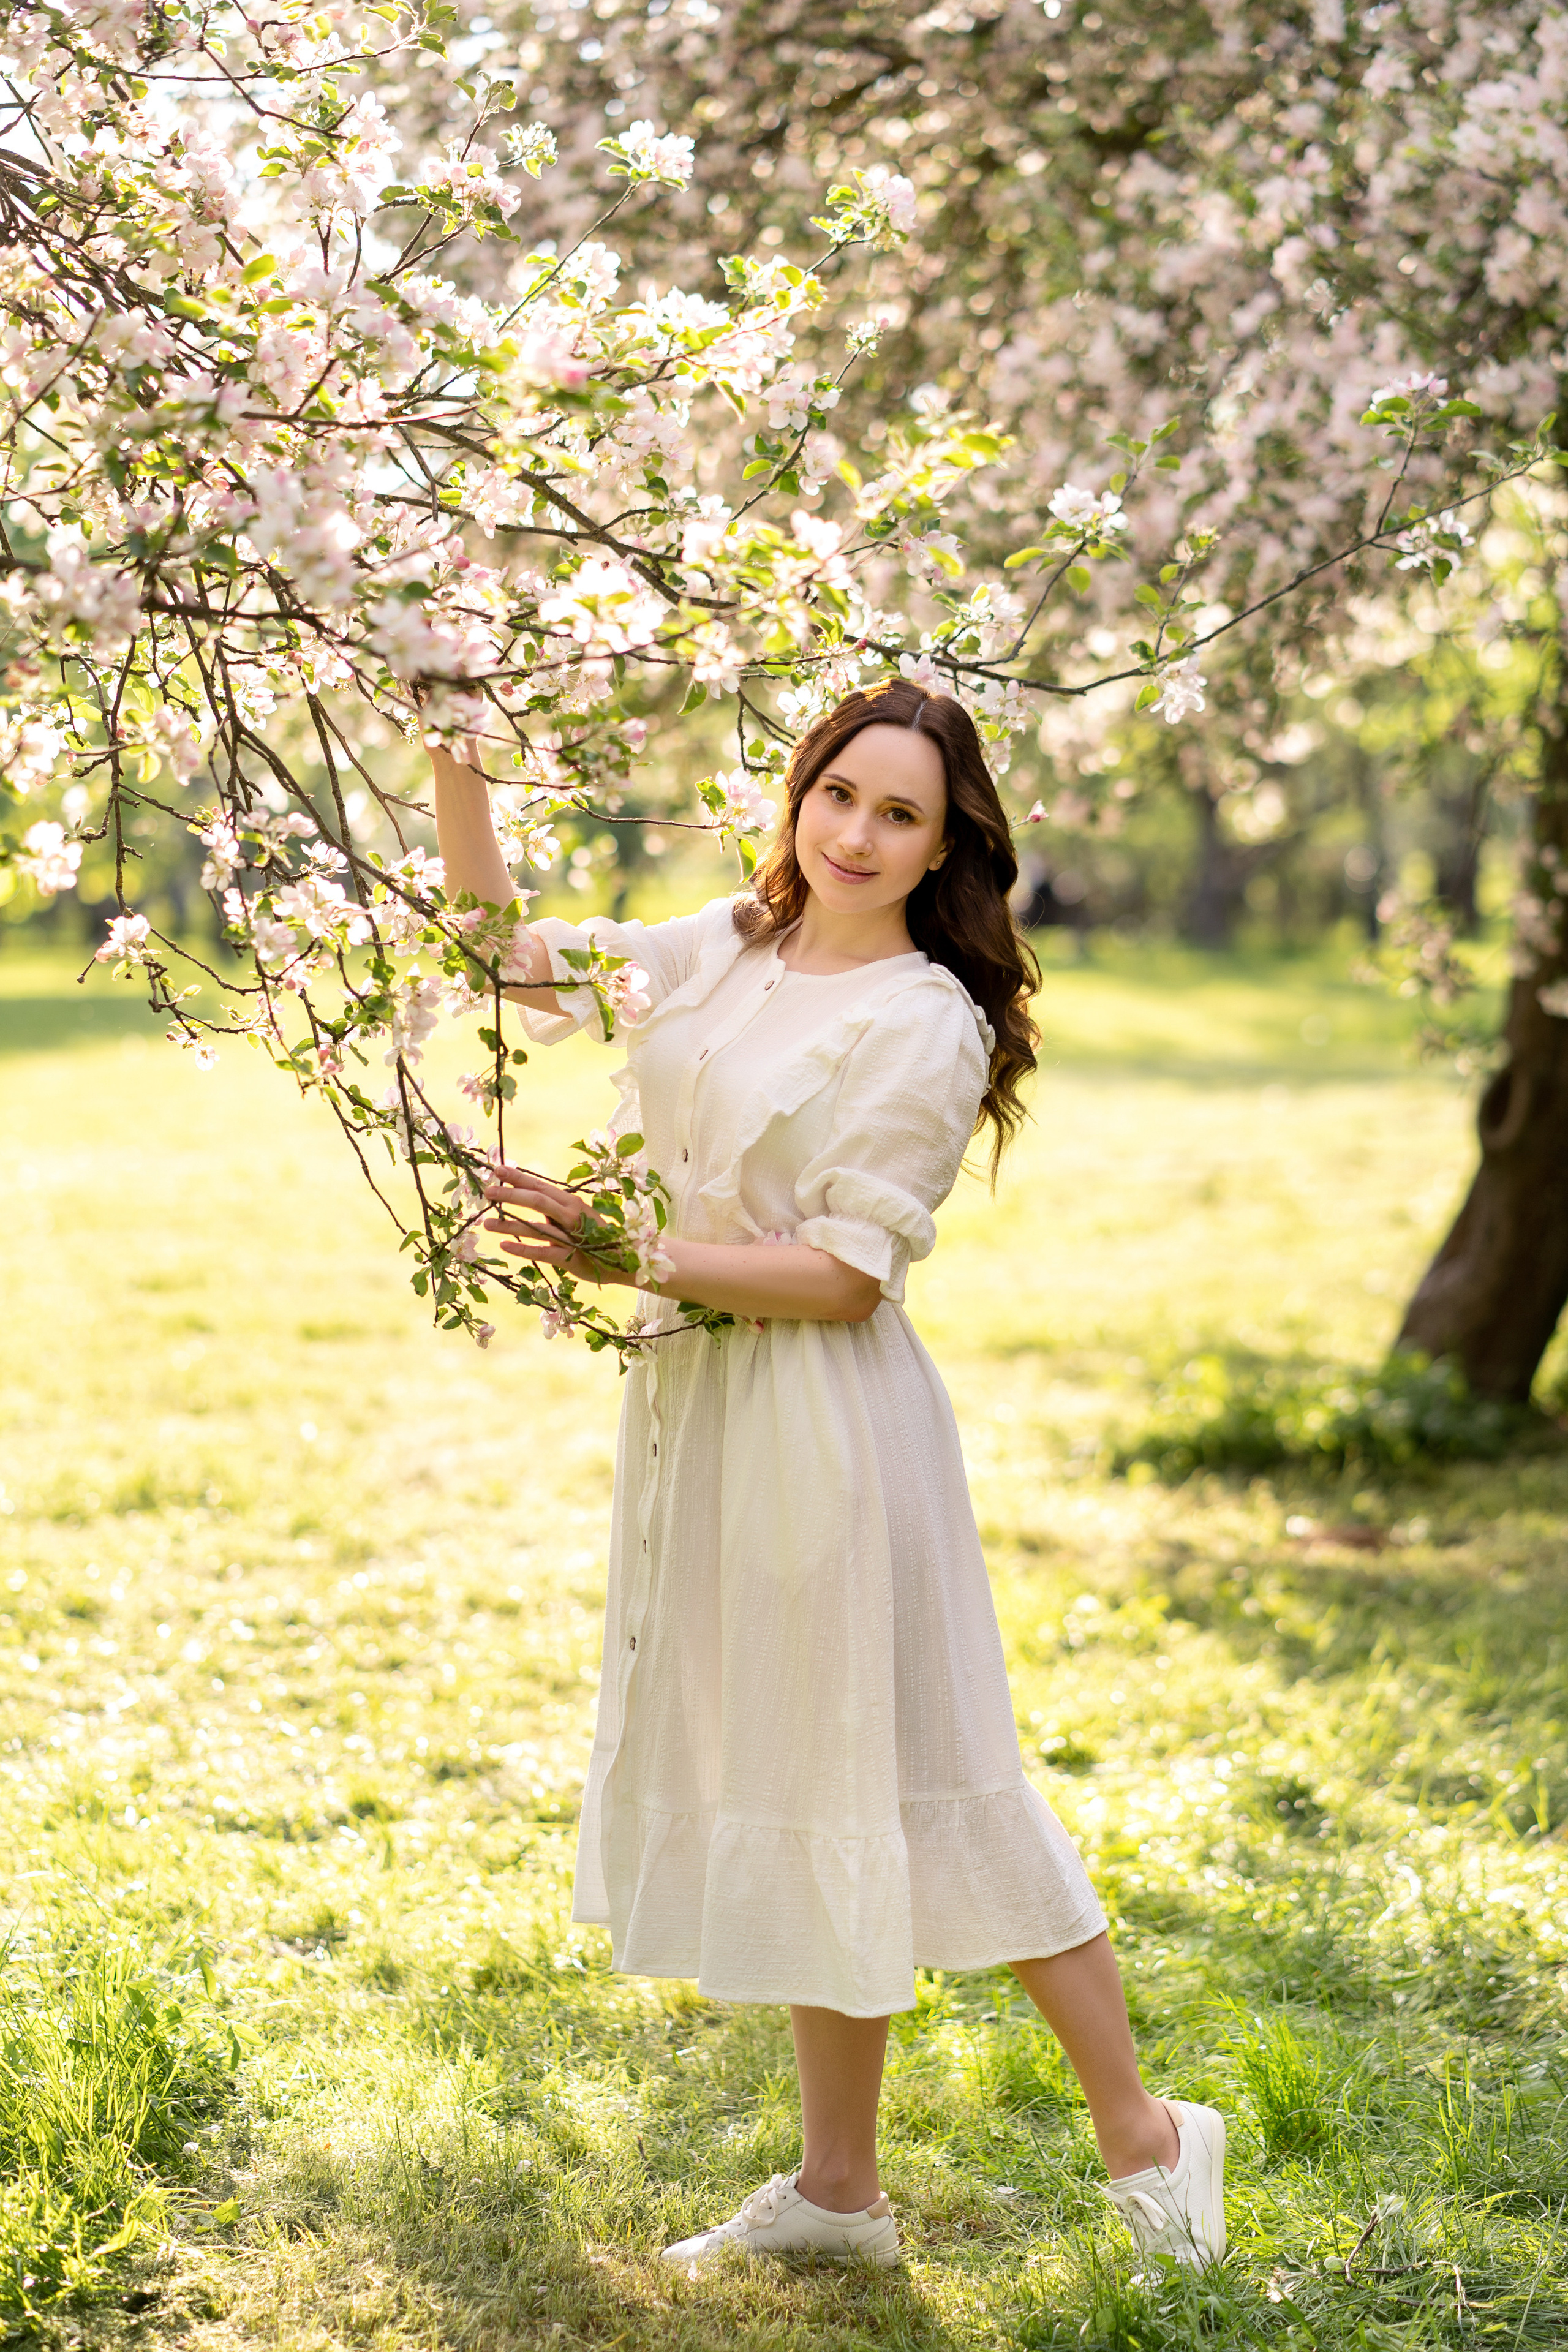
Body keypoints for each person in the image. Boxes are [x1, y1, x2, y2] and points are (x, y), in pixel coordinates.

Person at [431, 678, 1226, 2272]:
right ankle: (840, 2194)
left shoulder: (925, 1017)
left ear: (945, 846)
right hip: (704, 1410)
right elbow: (502, 959)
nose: (857, 834)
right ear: (799, 796)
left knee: (946, 1780)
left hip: (829, 1429)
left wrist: (634, 1254)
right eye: (839, 794)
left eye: (900, 813)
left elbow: (852, 1275)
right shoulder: (727, 945)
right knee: (804, 1778)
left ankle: (1150, 2137)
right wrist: (454, 745)